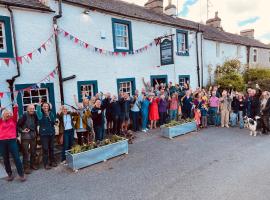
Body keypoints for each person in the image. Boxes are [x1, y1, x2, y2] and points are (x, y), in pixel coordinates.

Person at [0, 104, 25, 182]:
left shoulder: (13, 120)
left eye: (9, 114)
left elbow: (15, 112)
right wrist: (0, 109)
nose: (8, 115)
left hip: (12, 141)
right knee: (5, 158)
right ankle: (9, 174)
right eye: (6, 114)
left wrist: (16, 107)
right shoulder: (0, 121)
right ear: (3, 115)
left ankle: (21, 174)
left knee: (16, 158)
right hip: (2, 142)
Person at [18, 104, 39, 174]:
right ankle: (26, 167)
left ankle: (32, 164)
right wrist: (22, 130)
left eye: (33, 109)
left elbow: (36, 124)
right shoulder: (24, 115)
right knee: (25, 153)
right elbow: (18, 126)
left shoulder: (35, 115)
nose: (32, 110)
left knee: (33, 151)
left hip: (33, 136)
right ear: (27, 109)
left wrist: (37, 133)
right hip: (25, 137)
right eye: (30, 109)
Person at [36, 100, 57, 169]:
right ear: (42, 107)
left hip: (51, 133)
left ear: (48, 107)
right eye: (44, 106)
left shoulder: (51, 113)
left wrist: (52, 119)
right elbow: (38, 112)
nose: (45, 107)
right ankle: (46, 164)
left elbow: (53, 122)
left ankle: (52, 161)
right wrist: (38, 106)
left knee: (51, 148)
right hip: (44, 134)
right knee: (45, 149)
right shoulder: (40, 114)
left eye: (47, 106)